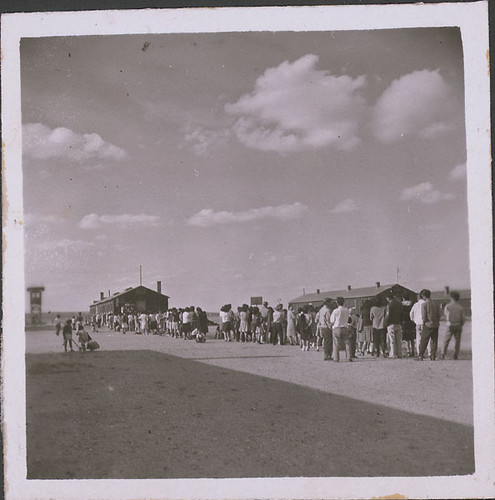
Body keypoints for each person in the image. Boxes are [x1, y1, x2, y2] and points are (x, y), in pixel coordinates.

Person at [417, 289, 441, 361]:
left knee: (424, 340)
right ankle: (433, 355)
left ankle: (420, 355)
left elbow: (424, 316)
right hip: (435, 324)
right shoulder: (436, 304)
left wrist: (424, 323)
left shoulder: (424, 304)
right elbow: (439, 315)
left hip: (427, 324)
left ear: (423, 296)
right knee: (434, 340)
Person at [441, 292, 465, 360]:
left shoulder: (448, 306)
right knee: (457, 341)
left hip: (450, 324)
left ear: (451, 298)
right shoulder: (460, 307)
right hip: (458, 324)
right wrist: (461, 324)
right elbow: (463, 318)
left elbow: (446, 314)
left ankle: (443, 353)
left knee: (446, 340)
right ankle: (455, 354)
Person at [330, 297, 351, 362]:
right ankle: (348, 357)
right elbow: (348, 319)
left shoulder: (335, 311)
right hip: (345, 327)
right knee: (347, 343)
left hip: (336, 327)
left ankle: (336, 358)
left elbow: (332, 320)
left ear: (337, 302)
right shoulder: (346, 310)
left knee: (336, 344)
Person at [385, 293, 403, 358]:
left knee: (392, 340)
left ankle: (393, 354)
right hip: (398, 323)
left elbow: (388, 315)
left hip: (391, 324)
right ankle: (399, 353)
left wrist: (385, 323)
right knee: (398, 340)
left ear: (388, 298)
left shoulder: (389, 305)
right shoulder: (399, 304)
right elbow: (402, 314)